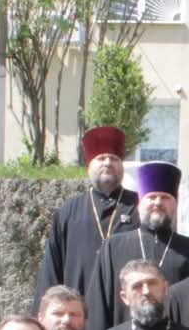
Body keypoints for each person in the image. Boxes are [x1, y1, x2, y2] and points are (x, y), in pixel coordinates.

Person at [85, 161, 189, 330]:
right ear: (140, 203)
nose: (158, 203)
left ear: (175, 204)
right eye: (152, 197)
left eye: (165, 197)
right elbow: (98, 304)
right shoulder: (114, 246)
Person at [33, 126, 138, 308]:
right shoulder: (68, 211)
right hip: (78, 311)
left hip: (125, 310)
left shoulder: (138, 206)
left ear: (121, 165)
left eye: (114, 158)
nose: (108, 163)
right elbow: (52, 266)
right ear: (89, 165)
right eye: (101, 158)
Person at [94, 259, 189, 330]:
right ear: (125, 297)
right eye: (137, 286)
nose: (146, 291)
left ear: (165, 288)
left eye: (152, 283)